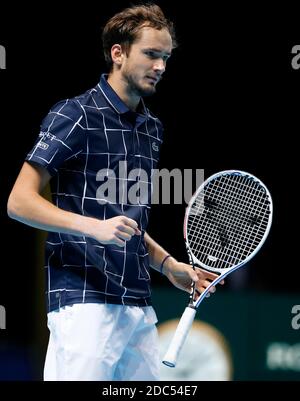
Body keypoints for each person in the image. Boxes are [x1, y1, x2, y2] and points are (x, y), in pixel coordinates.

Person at [7, 3, 222, 381]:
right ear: (118, 53)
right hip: (83, 301)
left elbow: (128, 219)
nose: (161, 67)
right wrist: (94, 227)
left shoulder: (151, 129)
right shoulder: (75, 114)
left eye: (166, 57)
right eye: (151, 54)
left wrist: (169, 266)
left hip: (137, 306)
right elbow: (19, 201)